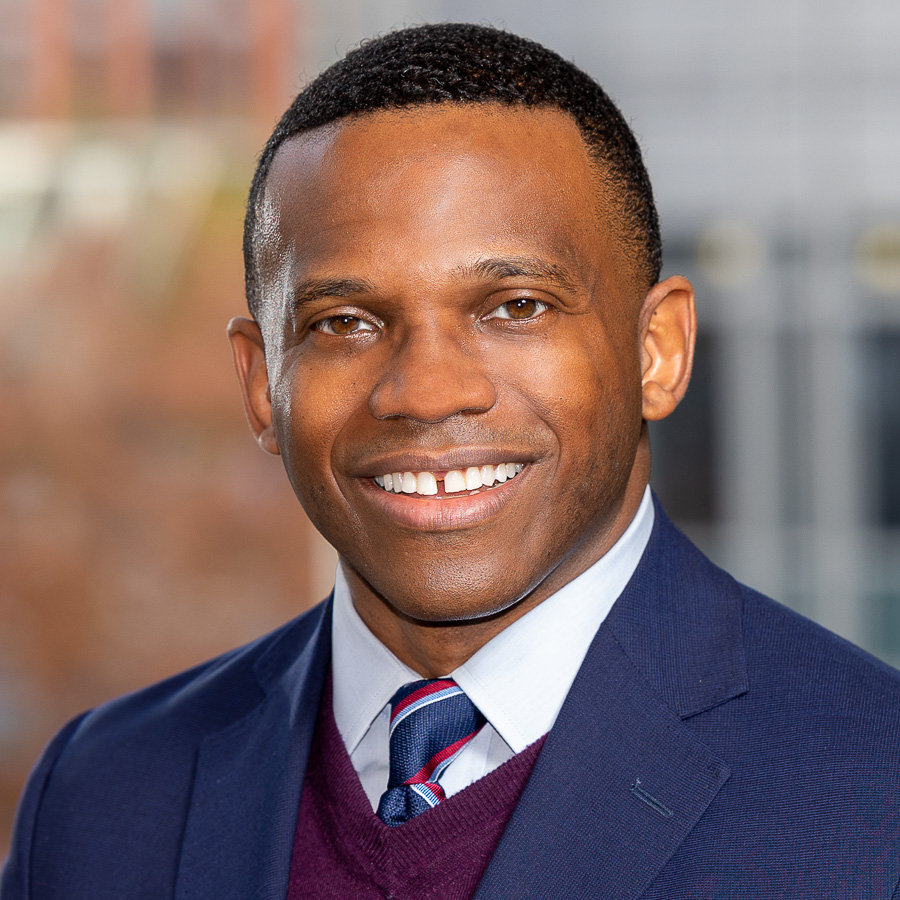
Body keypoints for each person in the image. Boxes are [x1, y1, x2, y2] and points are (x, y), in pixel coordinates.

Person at [4, 22, 900, 900]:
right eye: (343, 323)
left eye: (515, 306)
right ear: (259, 382)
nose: (427, 392)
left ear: (656, 350)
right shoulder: (100, 799)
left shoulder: (876, 797)